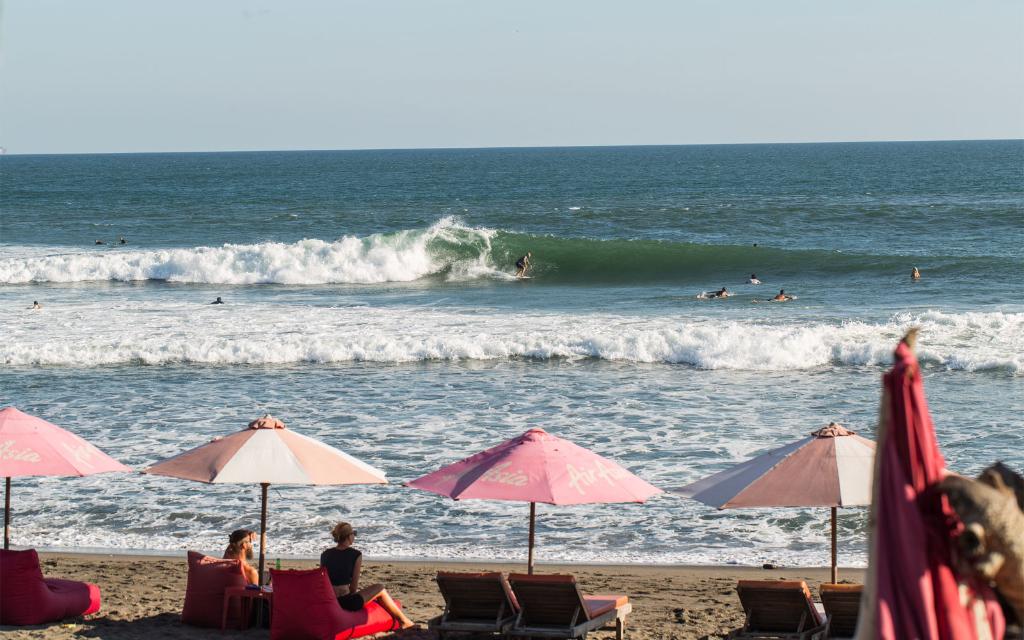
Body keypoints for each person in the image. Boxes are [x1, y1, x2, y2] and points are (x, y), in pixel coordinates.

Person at [320, 522, 415, 628]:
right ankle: (404, 621)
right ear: (348, 536)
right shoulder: (356, 554)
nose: (354, 536)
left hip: (329, 601)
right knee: (380, 588)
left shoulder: (325, 554)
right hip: (347, 603)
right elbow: (353, 588)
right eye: (354, 533)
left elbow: (323, 581)